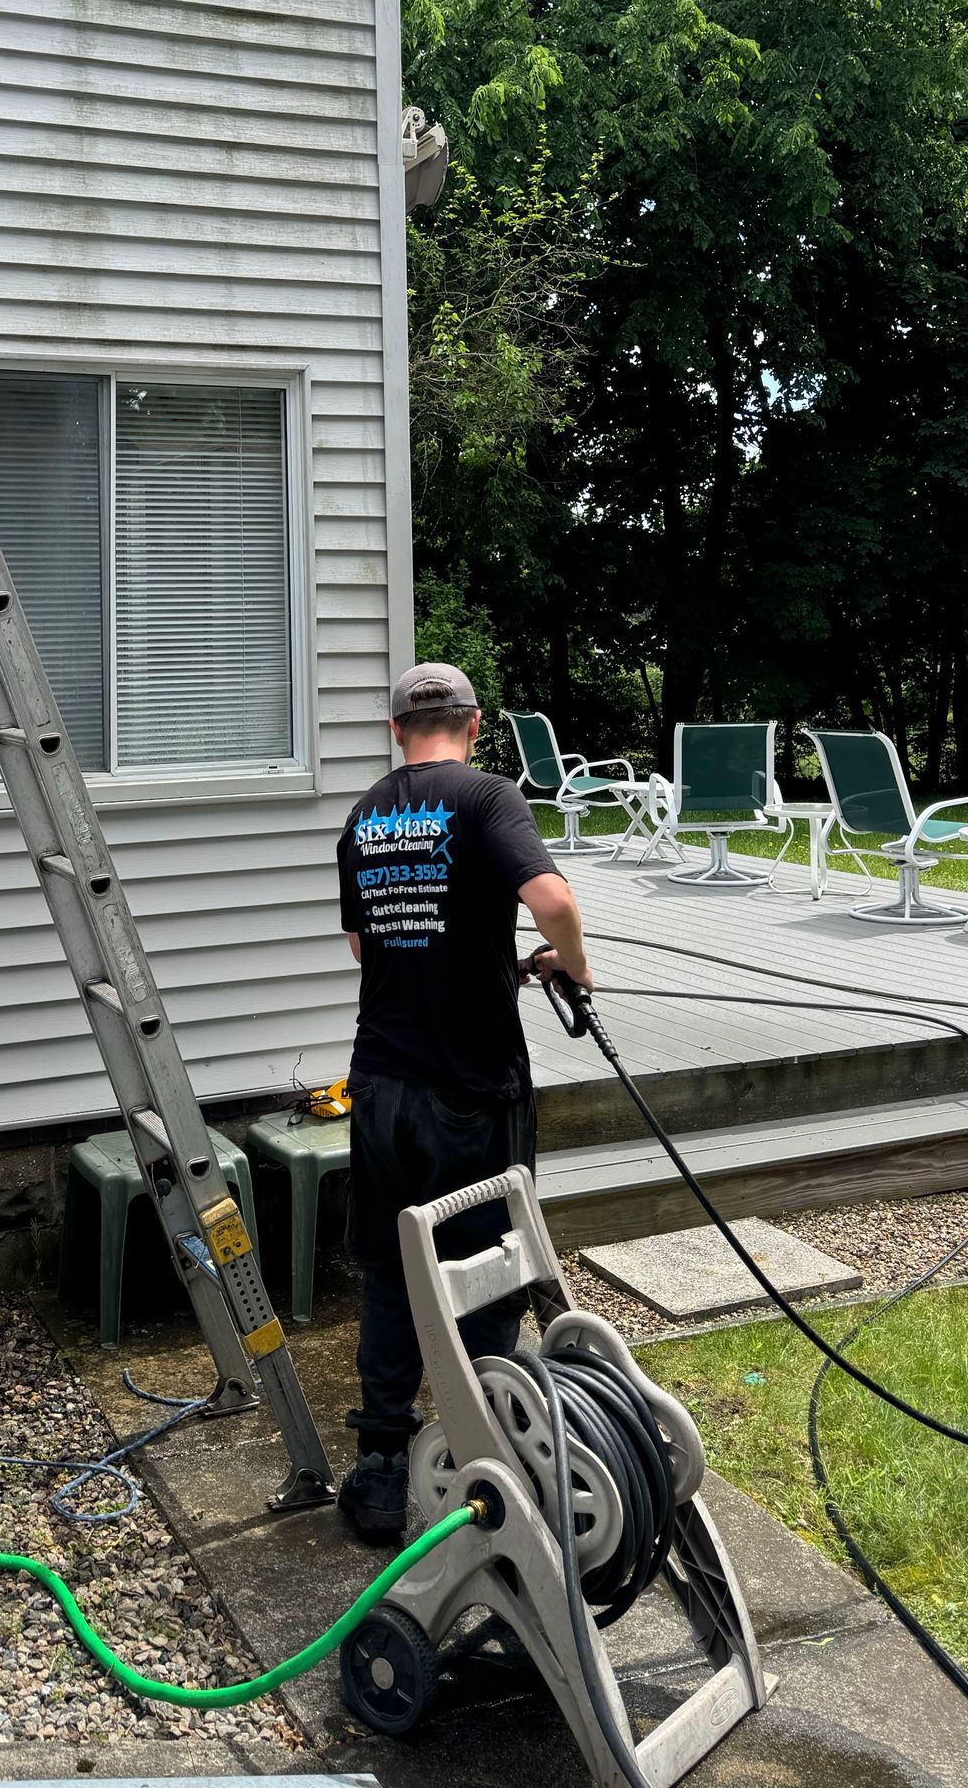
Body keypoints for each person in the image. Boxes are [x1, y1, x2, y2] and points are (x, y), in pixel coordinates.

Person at [333, 660, 594, 1542]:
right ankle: (487, 1452)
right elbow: (551, 897)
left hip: (381, 1083)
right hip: (473, 1088)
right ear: (475, 724)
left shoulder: (365, 815)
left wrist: (486, 961)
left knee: (391, 1268)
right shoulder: (488, 799)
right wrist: (574, 967)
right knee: (488, 1269)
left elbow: (372, 951)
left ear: (397, 730)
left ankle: (377, 1469)